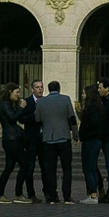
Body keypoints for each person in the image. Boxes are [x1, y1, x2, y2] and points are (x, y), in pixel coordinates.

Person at [34, 77, 77, 205]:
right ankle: (67, 196)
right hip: (64, 138)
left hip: (48, 139)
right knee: (67, 168)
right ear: (59, 89)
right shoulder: (65, 99)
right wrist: (75, 135)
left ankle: (52, 197)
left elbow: (37, 119)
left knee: (50, 169)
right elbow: (72, 119)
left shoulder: (41, 102)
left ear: (48, 89)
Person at [0, 85, 37, 204]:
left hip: (11, 139)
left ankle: (0, 194)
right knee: (24, 165)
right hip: (12, 140)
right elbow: (13, 118)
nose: (18, 95)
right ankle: (18, 194)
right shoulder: (5, 105)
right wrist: (21, 108)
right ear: (10, 92)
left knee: (9, 167)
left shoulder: (7, 104)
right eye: (16, 92)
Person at [79, 82, 106, 201]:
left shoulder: (91, 108)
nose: (82, 95)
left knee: (88, 168)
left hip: (90, 140)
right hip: (96, 140)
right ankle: (94, 192)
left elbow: (89, 124)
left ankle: (92, 194)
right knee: (93, 167)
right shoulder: (99, 107)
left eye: (84, 93)